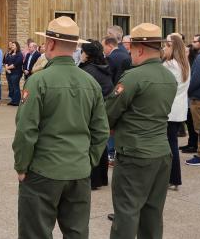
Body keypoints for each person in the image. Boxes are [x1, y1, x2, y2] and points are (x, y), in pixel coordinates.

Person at [13, 16, 109, 239]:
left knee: (35, 232)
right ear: (75, 46)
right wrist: (88, 160)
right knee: (76, 232)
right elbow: (101, 130)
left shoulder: (38, 81)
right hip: (78, 170)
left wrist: (21, 165)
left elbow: (26, 130)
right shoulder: (90, 82)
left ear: (51, 44)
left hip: (43, 171)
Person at [106, 23, 177, 238]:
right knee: (153, 213)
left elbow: (108, 113)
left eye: (130, 49)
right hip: (161, 152)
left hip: (135, 154)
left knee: (127, 212)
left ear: (139, 49)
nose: (129, 53)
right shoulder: (169, 77)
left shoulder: (133, 77)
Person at [79, 40, 114, 190]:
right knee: (101, 144)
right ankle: (101, 178)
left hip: (92, 112)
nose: (80, 54)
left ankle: (93, 179)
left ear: (88, 55)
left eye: (82, 52)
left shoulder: (88, 71)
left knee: (91, 145)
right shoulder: (102, 67)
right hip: (102, 110)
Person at [162, 33, 190, 186]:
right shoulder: (183, 64)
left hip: (169, 110)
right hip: (178, 110)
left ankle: (172, 178)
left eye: (166, 45)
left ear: (172, 47)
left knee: (169, 145)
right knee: (172, 143)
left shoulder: (170, 65)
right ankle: (174, 179)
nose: (163, 48)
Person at [186, 34, 200, 166]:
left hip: (199, 99)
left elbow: (196, 79)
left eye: (194, 41)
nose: (192, 44)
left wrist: (188, 91)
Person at [181, 43, 200, 153]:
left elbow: (194, 80)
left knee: (195, 124)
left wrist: (188, 91)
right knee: (190, 121)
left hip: (192, 96)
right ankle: (191, 143)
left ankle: (195, 146)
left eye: (187, 52)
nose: (185, 53)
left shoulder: (196, 61)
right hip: (188, 97)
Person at [4, 41, 23, 106]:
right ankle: (13, 100)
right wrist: (6, 68)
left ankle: (17, 101)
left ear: (17, 46)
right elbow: (6, 61)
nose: (12, 46)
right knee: (11, 87)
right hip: (9, 73)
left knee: (15, 87)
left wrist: (7, 68)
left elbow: (16, 64)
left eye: (13, 45)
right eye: (11, 45)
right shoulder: (10, 53)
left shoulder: (19, 54)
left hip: (16, 73)